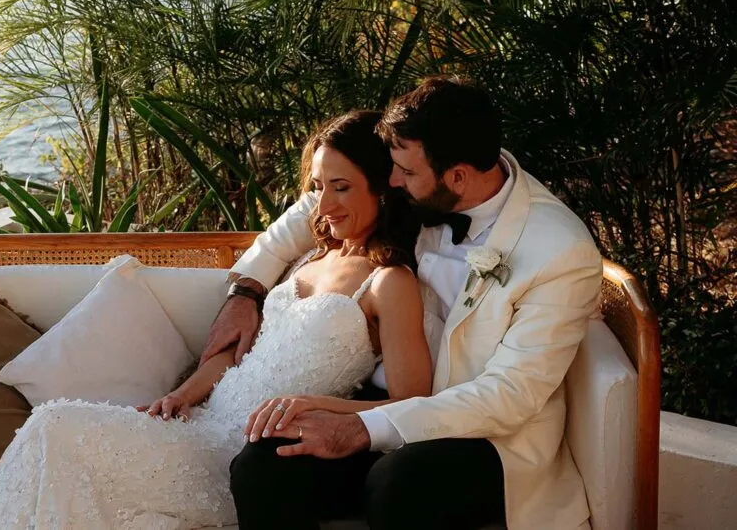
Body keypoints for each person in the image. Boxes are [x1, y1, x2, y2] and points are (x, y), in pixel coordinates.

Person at [0, 111, 433, 529]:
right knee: (51, 426)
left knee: (56, 426)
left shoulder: (389, 282)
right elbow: (242, 356)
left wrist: (318, 406)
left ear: (382, 186)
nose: (324, 204)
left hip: (245, 455)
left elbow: (414, 403)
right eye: (317, 186)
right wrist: (182, 394)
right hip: (204, 421)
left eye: (342, 187)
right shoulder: (308, 257)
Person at [220, 77, 603, 530]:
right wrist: (246, 290)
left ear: (457, 176)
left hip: (484, 433)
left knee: (398, 484)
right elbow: (315, 208)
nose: (392, 179)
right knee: (264, 464)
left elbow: (510, 396)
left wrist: (366, 429)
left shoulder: (560, 250)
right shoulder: (417, 170)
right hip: (382, 398)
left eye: (405, 174)